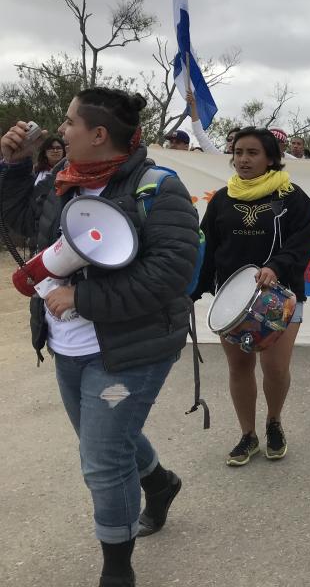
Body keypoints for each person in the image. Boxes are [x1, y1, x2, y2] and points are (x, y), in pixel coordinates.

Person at [0, 87, 200, 587]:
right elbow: (25, 225)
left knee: (102, 461)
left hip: (129, 350)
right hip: (69, 347)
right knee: (107, 442)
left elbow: (170, 273)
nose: (60, 130)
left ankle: (117, 571)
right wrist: (15, 167)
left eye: (69, 122)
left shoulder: (158, 188)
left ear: (98, 134)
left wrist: (82, 300)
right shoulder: (63, 183)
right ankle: (160, 482)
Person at [193, 127, 310, 467]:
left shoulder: (292, 197)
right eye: (238, 152)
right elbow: (209, 248)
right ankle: (247, 435)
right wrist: (192, 291)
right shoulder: (222, 198)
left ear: (271, 158)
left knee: (274, 368)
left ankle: (274, 422)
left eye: (252, 153)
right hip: (232, 301)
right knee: (239, 366)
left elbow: (301, 243)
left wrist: (276, 266)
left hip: (280, 295)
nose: (243, 159)